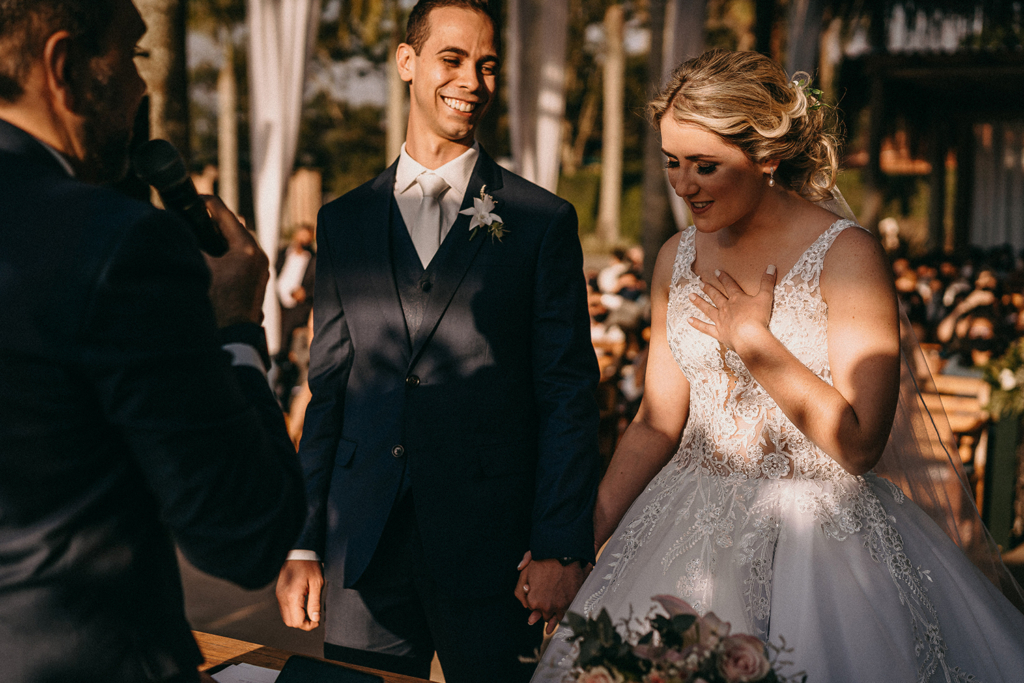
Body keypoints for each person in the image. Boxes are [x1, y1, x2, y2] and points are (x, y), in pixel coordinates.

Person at [533, 49, 1024, 682]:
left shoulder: (848, 257)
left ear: (766, 158)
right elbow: (657, 423)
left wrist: (756, 345)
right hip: (682, 530)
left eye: (706, 166)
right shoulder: (673, 258)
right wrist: (576, 545)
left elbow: (860, 443)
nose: (683, 185)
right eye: (672, 162)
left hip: (821, 541)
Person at [274, 1, 600, 681]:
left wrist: (559, 543)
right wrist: (303, 541)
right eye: (453, 59)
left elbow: (567, 392)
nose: (473, 81)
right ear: (406, 62)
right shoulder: (342, 222)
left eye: (486, 65)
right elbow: (328, 390)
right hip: (362, 543)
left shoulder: (542, 221)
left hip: (494, 550)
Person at [0, 1, 305, 681]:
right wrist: (235, 329)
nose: (142, 87)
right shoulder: (116, 244)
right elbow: (246, 530)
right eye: (132, 57)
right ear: (65, 67)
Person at [274, 225, 316, 406]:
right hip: (277, 307)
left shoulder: (314, 260)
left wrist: (305, 293)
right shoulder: (282, 254)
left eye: (306, 240)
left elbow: (317, 286)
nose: (302, 243)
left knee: (288, 348)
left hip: (297, 311)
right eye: (300, 239)